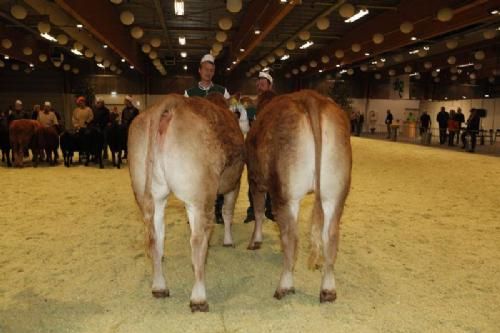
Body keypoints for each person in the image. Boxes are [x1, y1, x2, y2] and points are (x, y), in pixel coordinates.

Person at [185, 54, 230, 224]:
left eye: (211, 70)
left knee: (218, 176)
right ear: (200, 70)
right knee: (195, 176)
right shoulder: (189, 93)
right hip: (196, 141)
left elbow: (228, 116)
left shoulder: (222, 91)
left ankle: (217, 210)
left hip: (218, 141)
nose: (208, 73)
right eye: (206, 69)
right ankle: (195, 210)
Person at [243, 71, 275, 224]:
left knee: (273, 177)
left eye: (263, 84)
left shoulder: (277, 104)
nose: (260, 87)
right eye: (259, 84)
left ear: (270, 86)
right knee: (253, 179)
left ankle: (271, 208)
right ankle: (252, 210)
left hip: (272, 147)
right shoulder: (251, 105)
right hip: (254, 147)